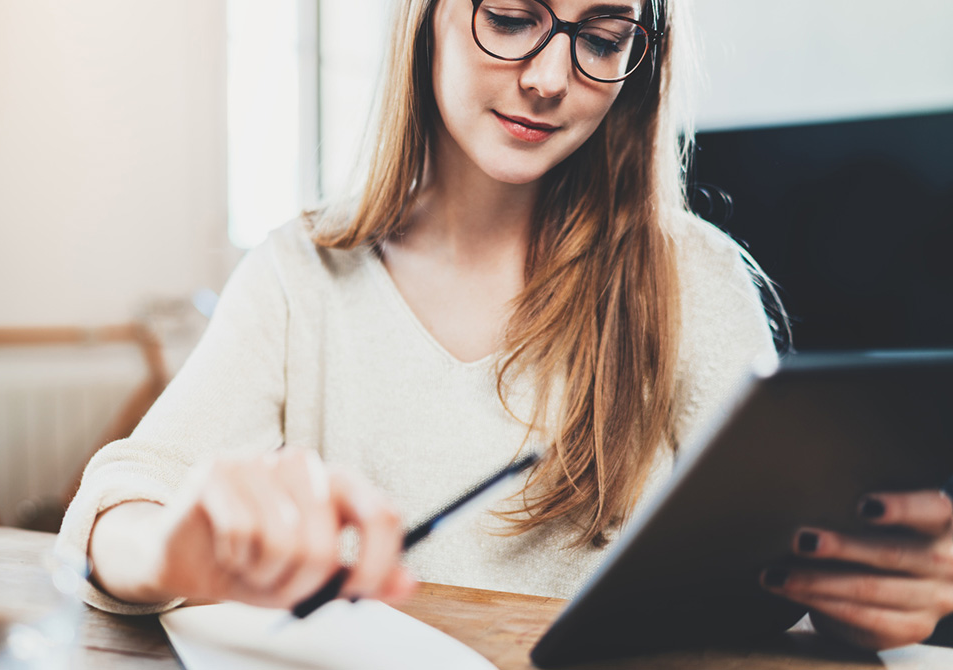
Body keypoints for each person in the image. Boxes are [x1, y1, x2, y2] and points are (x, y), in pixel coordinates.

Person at [57, 0, 953, 651]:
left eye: (602, 38)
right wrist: (174, 545)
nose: (551, 76)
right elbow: (118, 509)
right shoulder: (304, 273)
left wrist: (861, 596)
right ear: (427, 16)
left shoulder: (692, 277)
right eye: (515, 17)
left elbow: (786, 571)